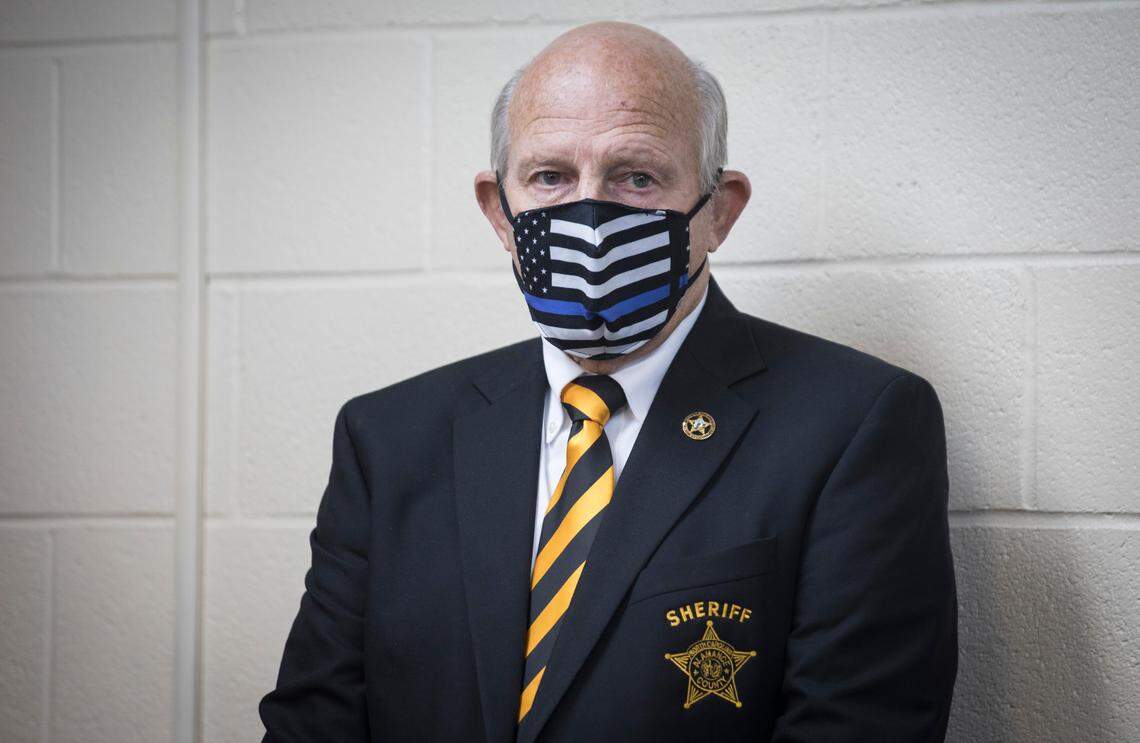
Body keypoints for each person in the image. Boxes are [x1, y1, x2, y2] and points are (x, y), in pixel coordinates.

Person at [259, 20, 957, 743]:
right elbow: (314, 722)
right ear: (500, 211)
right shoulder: (390, 438)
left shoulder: (854, 426)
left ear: (719, 210)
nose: (589, 217)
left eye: (637, 176)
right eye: (550, 176)